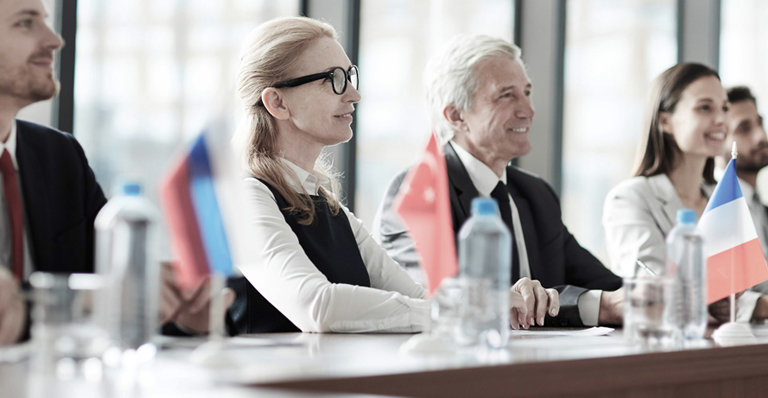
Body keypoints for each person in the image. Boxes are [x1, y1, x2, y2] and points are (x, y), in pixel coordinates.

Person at [230, 17, 558, 334]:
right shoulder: (245, 199)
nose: (354, 95)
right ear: (277, 102)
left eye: (350, 76)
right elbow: (317, 306)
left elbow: (419, 298)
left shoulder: (330, 208)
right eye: (334, 80)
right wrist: (462, 309)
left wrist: (489, 301)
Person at [0, 0, 229, 344]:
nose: (54, 39)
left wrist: (174, 311)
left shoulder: (60, 156)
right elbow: (101, 295)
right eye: (25, 23)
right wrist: (96, 297)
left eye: (45, 20)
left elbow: (121, 292)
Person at [374, 34, 622, 327]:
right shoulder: (419, 191)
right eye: (507, 95)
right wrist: (593, 305)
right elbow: (451, 299)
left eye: (527, 92)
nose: (527, 111)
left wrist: (647, 292)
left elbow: (608, 287)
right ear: (456, 116)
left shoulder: (535, 193)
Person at [602, 63, 734, 323]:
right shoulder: (630, 198)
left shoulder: (725, 197)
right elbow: (657, 288)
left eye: (725, 108)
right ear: (665, 121)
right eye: (705, 107)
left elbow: (756, 283)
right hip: (667, 349)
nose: (721, 119)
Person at [713, 86, 768, 321]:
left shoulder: (760, 207)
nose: (761, 136)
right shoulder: (714, 209)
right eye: (744, 128)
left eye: (760, 123)